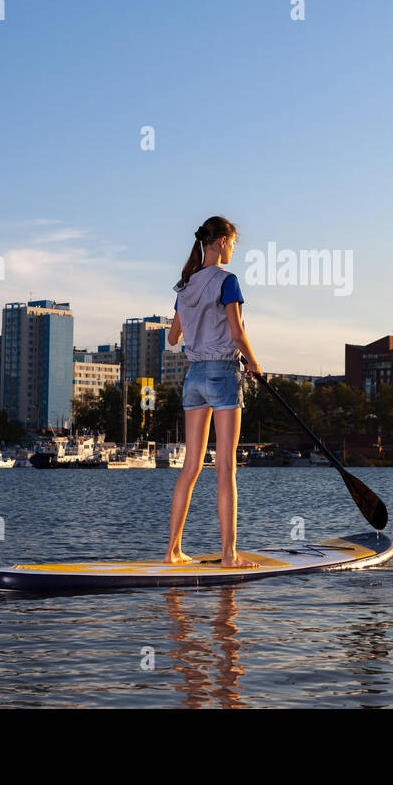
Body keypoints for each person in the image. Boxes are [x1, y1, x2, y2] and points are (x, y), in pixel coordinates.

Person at [164, 216, 264, 568]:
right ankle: (229, 555)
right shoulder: (228, 281)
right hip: (222, 374)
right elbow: (236, 333)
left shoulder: (185, 286)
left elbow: (172, 337)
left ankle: (173, 551)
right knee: (225, 466)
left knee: (190, 466)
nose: (234, 249)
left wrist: (195, 325)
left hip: (193, 378)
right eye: (234, 243)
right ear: (221, 241)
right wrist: (254, 363)